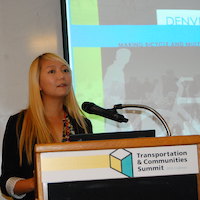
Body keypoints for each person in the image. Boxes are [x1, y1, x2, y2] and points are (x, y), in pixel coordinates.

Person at [0, 53, 93, 200]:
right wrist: (33, 183)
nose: (61, 76)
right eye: (52, 71)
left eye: (65, 70)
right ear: (38, 83)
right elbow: (6, 182)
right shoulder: (19, 123)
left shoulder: (82, 124)